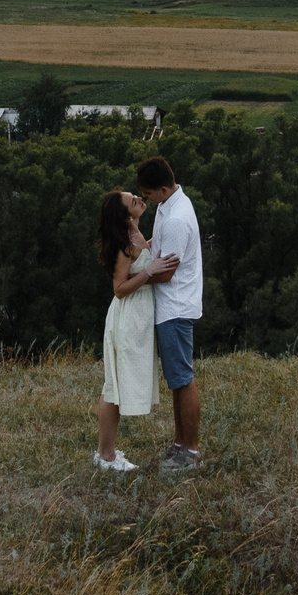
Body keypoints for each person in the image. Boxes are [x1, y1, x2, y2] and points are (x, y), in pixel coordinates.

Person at [94, 188, 178, 471]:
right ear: (125, 213)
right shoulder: (125, 243)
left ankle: (107, 452)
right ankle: (105, 456)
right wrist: (149, 270)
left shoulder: (137, 236)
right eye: (133, 201)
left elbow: (144, 256)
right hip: (126, 319)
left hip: (138, 318)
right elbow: (119, 289)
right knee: (113, 385)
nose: (139, 200)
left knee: (116, 384)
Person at [137, 155, 204, 469]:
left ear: (162, 189)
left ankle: (190, 451)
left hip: (176, 306)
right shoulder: (168, 206)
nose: (147, 200)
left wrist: (136, 278)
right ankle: (179, 443)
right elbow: (158, 247)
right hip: (168, 307)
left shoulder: (177, 218)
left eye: (149, 194)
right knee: (176, 380)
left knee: (183, 379)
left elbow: (166, 272)